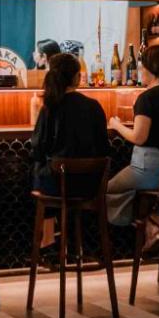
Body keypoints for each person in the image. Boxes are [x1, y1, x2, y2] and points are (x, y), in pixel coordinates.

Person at [31, 53, 109, 246]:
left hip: (57, 188)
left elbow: (38, 148)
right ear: (76, 77)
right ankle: (66, 236)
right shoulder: (94, 106)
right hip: (91, 187)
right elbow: (105, 148)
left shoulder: (50, 107)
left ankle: (48, 233)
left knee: (38, 167)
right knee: (47, 168)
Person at [106, 43, 159, 228]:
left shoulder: (146, 98)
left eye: (143, 66)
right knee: (142, 193)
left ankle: (147, 226)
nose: (141, 70)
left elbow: (139, 137)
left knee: (105, 190)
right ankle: (157, 219)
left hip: (148, 169)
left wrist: (116, 125)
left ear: (154, 69)